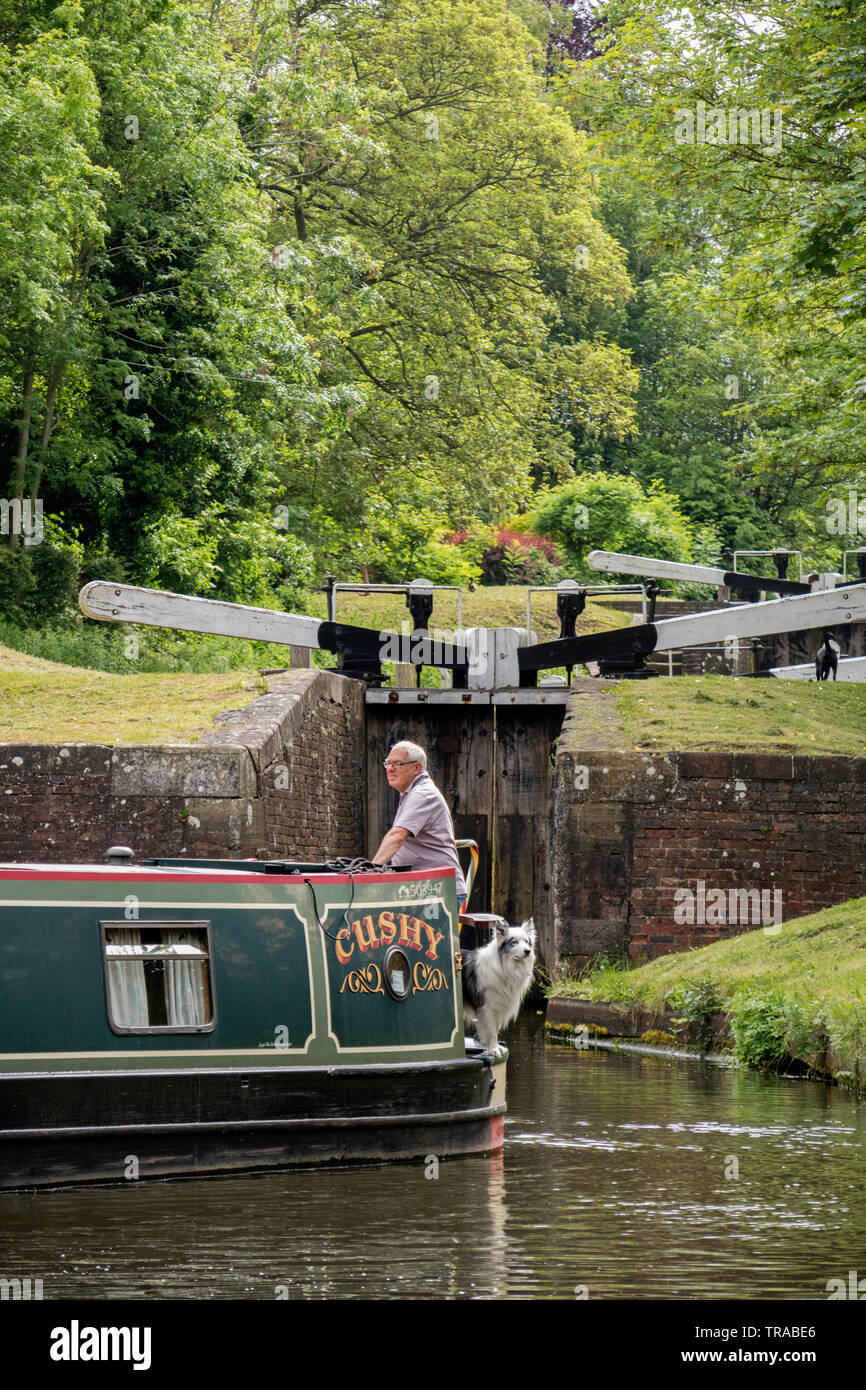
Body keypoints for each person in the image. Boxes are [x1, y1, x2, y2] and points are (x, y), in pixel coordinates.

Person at [373, 741, 468, 912]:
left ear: (417, 768)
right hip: (423, 887)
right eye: (388, 763)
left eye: (397, 764)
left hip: (437, 889)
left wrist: (369, 871)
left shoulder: (422, 794)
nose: (390, 769)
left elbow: (397, 836)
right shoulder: (411, 793)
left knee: (423, 938)